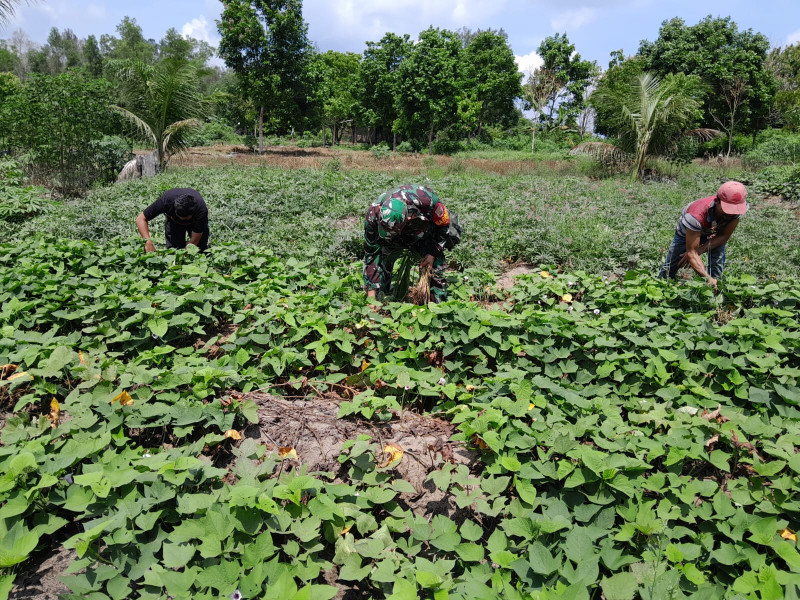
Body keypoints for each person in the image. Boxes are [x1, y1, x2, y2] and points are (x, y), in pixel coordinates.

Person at [363, 184, 452, 303]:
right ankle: (381, 300)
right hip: (393, 241)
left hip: (422, 233)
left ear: (408, 219)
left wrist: (432, 253)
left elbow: (443, 226)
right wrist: (371, 295)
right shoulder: (372, 215)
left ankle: (436, 304)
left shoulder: (427, 201)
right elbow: (371, 255)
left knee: (434, 266)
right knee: (382, 260)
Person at [658, 181, 749, 287]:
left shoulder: (737, 210)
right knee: (671, 266)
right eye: (727, 209)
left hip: (715, 231)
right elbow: (691, 253)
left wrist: (701, 250)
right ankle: (661, 287)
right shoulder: (695, 215)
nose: (731, 213)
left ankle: (715, 288)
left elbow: (724, 236)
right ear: (717, 201)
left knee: (717, 262)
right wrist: (706, 277)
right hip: (688, 233)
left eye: (734, 210)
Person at [135, 188, 209, 253]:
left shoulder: (201, 210)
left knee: (199, 249)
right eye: (180, 216)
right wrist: (148, 242)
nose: (182, 220)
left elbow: (195, 239)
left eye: (186, 218)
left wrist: (184, 255)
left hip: (195, 222)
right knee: (174, 249)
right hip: (174, 223)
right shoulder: (166, 201)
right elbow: (141, 219)